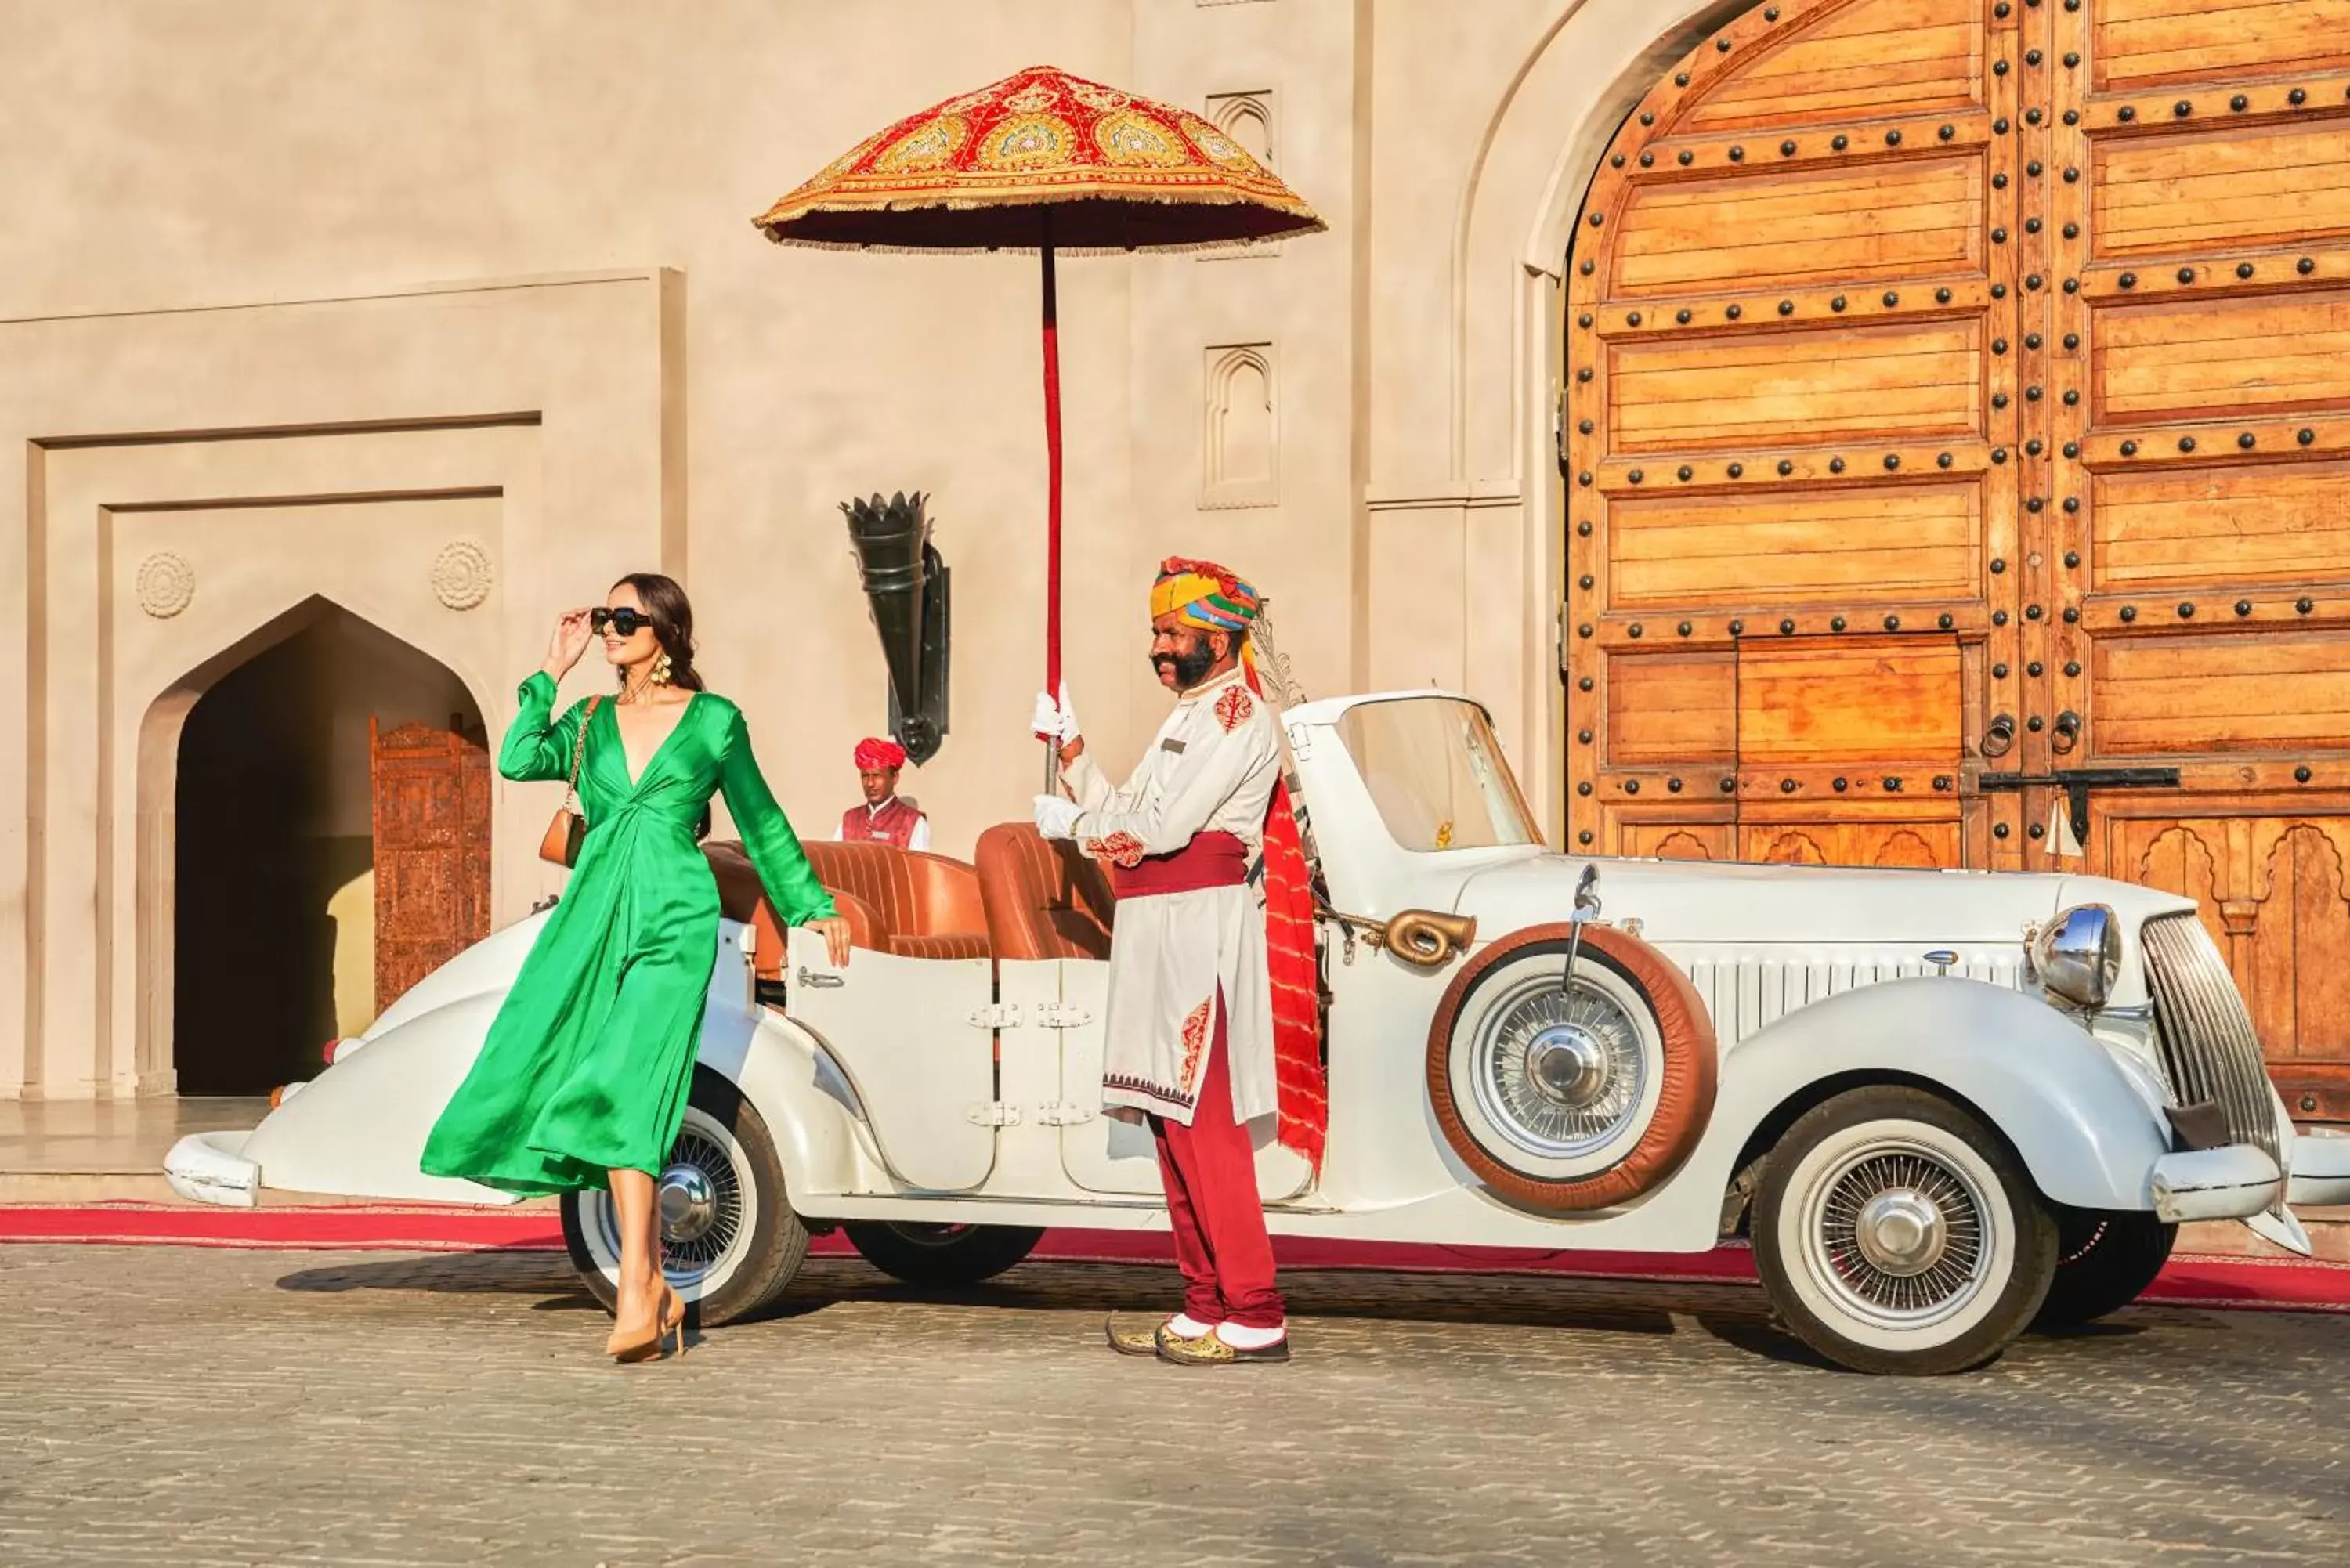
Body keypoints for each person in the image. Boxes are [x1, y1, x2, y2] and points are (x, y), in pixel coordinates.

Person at [421, 573, 851, 1364]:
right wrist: (553, 664)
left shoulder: (714, 722)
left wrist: (810, 903)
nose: (610, 628)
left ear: (665, 631)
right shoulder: (587, 721)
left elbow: (761, 822)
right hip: (591, 921)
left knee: (628, 1080)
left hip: (674, 921)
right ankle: (648, 1282)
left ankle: (633, 1292)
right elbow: (517, 757)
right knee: (541, 1050)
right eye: (605, 617)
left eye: (625, 617)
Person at [1029, 558, 1325, 1367]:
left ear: (1220, 636)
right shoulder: (1189, 715)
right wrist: (1075, 752)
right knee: (1170, 1124)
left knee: (1208, 1130)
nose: (1160, 647)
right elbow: (1127, 806)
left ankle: (1256, 1308)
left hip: (1201, 937)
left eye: (1173, 632)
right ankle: (1204, 1301)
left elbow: (1159, 829)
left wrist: (1071, 825)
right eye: (1155, 632)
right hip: (1156, 927)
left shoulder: (1236, 716)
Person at [836, 736, 931, 850]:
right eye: (865, 776)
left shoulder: (913, 822)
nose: (870, 783)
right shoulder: (849, 820)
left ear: (895, 777)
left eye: (877, 776)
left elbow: (919, 867)